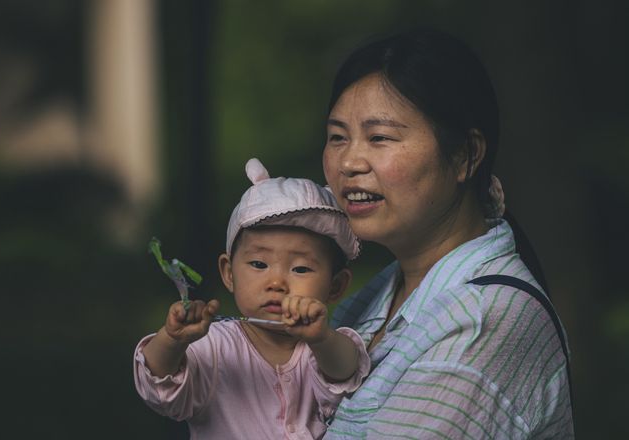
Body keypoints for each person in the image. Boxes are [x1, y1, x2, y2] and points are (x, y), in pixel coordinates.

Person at [321, 29, 574, 438]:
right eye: (337, 137)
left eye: (379, 137)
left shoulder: (483, 320)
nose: (349, 161)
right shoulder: (371, 300)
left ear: (465, 155)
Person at [134, 158, 370, 439]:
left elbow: (346, 372)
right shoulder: (213, 347)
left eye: (301, 268)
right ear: (229, 273)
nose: (276, 283)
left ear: (335, 286)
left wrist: (321, 339)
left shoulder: (323, 346)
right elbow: (159, 388)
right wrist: (172, 341)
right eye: (259, 264)